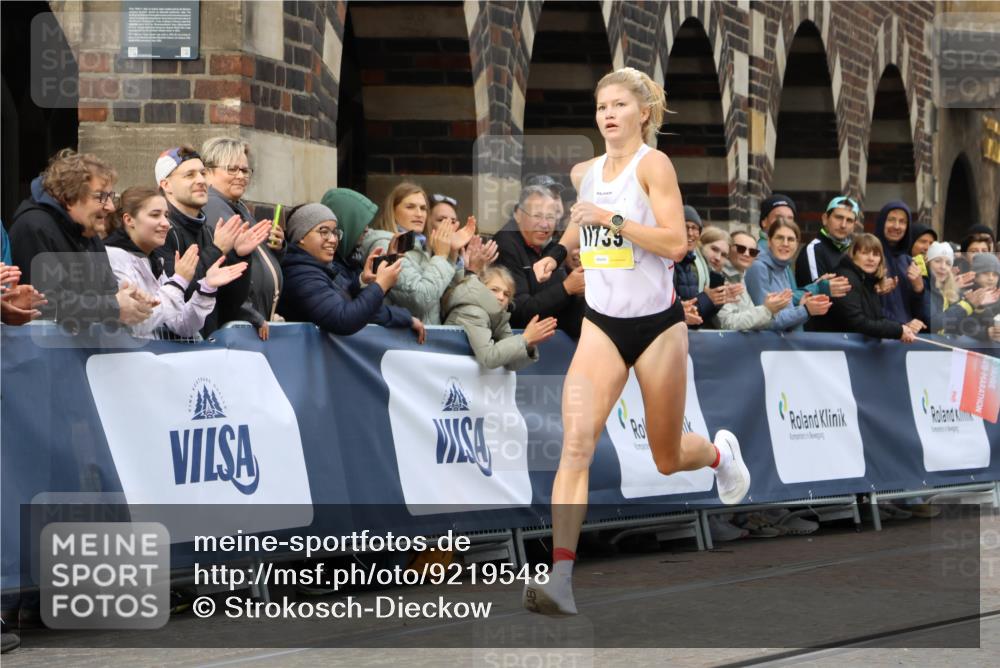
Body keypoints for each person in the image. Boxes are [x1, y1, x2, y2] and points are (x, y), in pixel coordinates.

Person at [523, 67, 750, 616]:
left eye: (619, 105)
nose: (607, 114)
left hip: (657, 326)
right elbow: (583, 221)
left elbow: (675, 244)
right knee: (576, 444)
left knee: (667, 457)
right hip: (602, 323)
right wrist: (560, 249)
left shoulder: (656, 165)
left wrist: (613, 219)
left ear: (642, 113)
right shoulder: (587, 171)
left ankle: (720, 454)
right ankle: (561, 578)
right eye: (601, 105)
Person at [10, 149, 155, 332]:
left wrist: (128, 301)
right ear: (69, 197)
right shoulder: (33, 227)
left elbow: (106, 294)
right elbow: (44, 303)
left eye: (111, 197)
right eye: (100, 197)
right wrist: (113, 306)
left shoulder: (90, 233)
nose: (110, 207)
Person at [156, 145, 270, 337]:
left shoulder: (207, 231)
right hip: (174, 353)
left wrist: (239, 256)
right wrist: (216, 250)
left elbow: (228, 304)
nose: (201, 180)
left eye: (202, 173)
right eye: (189, 175)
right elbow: (176, 298)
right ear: (166, 185)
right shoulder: (162, 231)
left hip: (208, 348)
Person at [105, 187, 248, 339]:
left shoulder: (152, 260)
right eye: (155, 215)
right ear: (129, 220)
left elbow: (181, 325)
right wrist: (179, 281)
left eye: (166, 215)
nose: (166, 223)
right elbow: (139, 324)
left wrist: (206, 289)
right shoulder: (113, 257)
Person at [278, 203, 425, 341]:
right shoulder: (301, 274)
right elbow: (343, 318)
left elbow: (358, 308)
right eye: (324, 232)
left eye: (335, 232)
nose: (333, 239)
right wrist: (380, 285)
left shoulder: (319, 268)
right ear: (301, 237)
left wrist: (364, 281)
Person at [201, 137, 284, 341]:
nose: (241, 176)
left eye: (245, 170)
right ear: (209, 170)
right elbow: (230, 266)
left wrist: (279, 248)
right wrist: (251, 315)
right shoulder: (214, 207)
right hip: (239, 328)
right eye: (232, 169)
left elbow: (257, 258)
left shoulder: (236, 206)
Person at [359, 183, 473, 325]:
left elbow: (444, 298)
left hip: (422, 340)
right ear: (392, 211)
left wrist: (451, 255)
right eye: (410, 207)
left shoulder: (420, 245)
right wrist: (441, 256)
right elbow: (419, 300)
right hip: (397, 340)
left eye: (423, 208)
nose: (419, 214)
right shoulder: (385, 245)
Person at [494, 184, 586, 338]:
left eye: (550, 217)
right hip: (520, 344)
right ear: (517, 214)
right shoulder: (506, 246)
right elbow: (519, 311)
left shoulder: (551, 247)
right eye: (537, 216)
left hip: (560, 340)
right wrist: (566, 288)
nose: (544, 224)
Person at [443, 262, 557, 370]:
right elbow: (489, 357)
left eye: (506, 294)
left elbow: (511, 364)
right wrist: (525, 338)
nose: (501, 297)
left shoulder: (499, 316)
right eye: (494, 290)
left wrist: (528, 343)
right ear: (481, 288)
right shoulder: (472, 312)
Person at [826, 234, 923, 341]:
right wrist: (898, 330)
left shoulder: (868, 280)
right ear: (853, 254)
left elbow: (876, 319)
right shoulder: (846, 278)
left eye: (876, 254)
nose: (871, 259)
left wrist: (903, 327)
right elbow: (857, 322)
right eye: (865, 253)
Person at [745, 218, 835, 332]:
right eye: (779, 238)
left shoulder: (784, 267)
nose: (785, 244)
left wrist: (801, 306)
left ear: (797, 244)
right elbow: (766, 321)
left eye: (791, 239)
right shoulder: (758, 268)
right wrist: (805, 310)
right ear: (769, 241)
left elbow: (786, 320)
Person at [718, 230, 790, 331]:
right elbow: (728, 323)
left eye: (752, 252)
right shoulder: (717, 278)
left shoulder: (741, 278)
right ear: (727, 249)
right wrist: (766, 310)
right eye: (741, 249)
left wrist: (773, 310)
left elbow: (749, 323)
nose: (747, 254)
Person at [873, 201, 927, 328]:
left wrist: (919, 289)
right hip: (880, 335)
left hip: (907, 337)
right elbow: (863, 305)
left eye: (903, 222)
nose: (897, 226)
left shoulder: (909, 262)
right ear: (882, 223)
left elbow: (919, 311)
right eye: (891, 220)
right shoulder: (869, 257)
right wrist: (900, 325)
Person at [923, 242, 993, 335]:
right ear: (928, 263)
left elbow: (962, 325)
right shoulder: (921, 286)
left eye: (948, 263)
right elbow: (935, 323)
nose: (943, 267)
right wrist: (967, 305)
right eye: (937, 261)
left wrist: (979, 307)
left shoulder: (950, 289)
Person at [795, 195, 860, 291]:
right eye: (838, 217)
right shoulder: (813, 249)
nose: (843, 225)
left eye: (849, 220)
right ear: (825, 219)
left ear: (854, 225)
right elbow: (816, 294)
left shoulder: (853, 251)